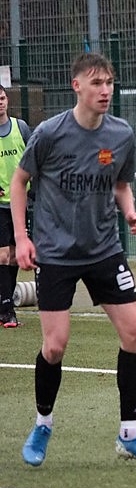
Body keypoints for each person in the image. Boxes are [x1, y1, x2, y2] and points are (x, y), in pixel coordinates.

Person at [13, 52, 136, 467]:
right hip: (57, 254)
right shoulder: (49, 133)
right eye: (96, 82)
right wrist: (21, 237)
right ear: (76, 86)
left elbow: (120, 183)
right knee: (55, 345)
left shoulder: (120, 134)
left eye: (110, 83)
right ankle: (43, 423)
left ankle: (130, 434)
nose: (105, 90)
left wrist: (131, 211)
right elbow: (19, 181)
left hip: (103, 250)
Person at [0, 85, 31, 328]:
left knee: (13, 256)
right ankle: (7, 309)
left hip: (20, 203)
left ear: (7, 100)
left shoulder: (21, 129)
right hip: (0, 204)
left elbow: (33, 159)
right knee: (2, 255)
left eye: (1, 98)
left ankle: (5, 302)